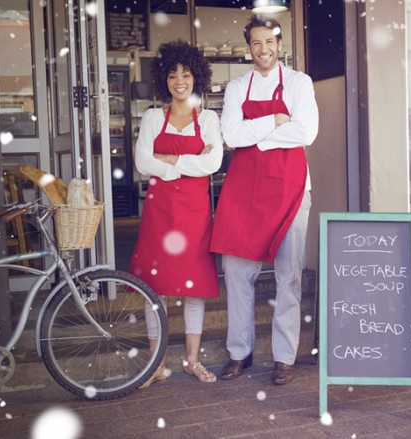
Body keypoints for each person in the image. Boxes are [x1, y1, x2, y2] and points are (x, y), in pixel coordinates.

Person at [211, 15, 319, 385]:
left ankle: (283, 358)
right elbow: (229, 133)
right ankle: (239, 352)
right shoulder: (238, 87)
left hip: (290, 189)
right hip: (245, 191)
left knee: (289, 275)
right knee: (238, 273)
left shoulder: (300, 83)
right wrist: (274, 120)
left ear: (279, 43)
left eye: (269, 42)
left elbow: (307, 131)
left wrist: (253, 136)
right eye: (256, 43)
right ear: (249, 49)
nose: (263, 49)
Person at [129, 40, 223, 386]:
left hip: (195, 213)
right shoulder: (154, 117)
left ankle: (191, 360)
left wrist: (168, 161)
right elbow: (142, 162)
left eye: (185, 73)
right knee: (155, 287)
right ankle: (156, 365)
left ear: (196, 77)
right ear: (163, 80)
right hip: (160, 211)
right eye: (172, 74)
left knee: (194, 287)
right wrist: (186, 165)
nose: (179, 81)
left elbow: (213, 162)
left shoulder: (209, 118)